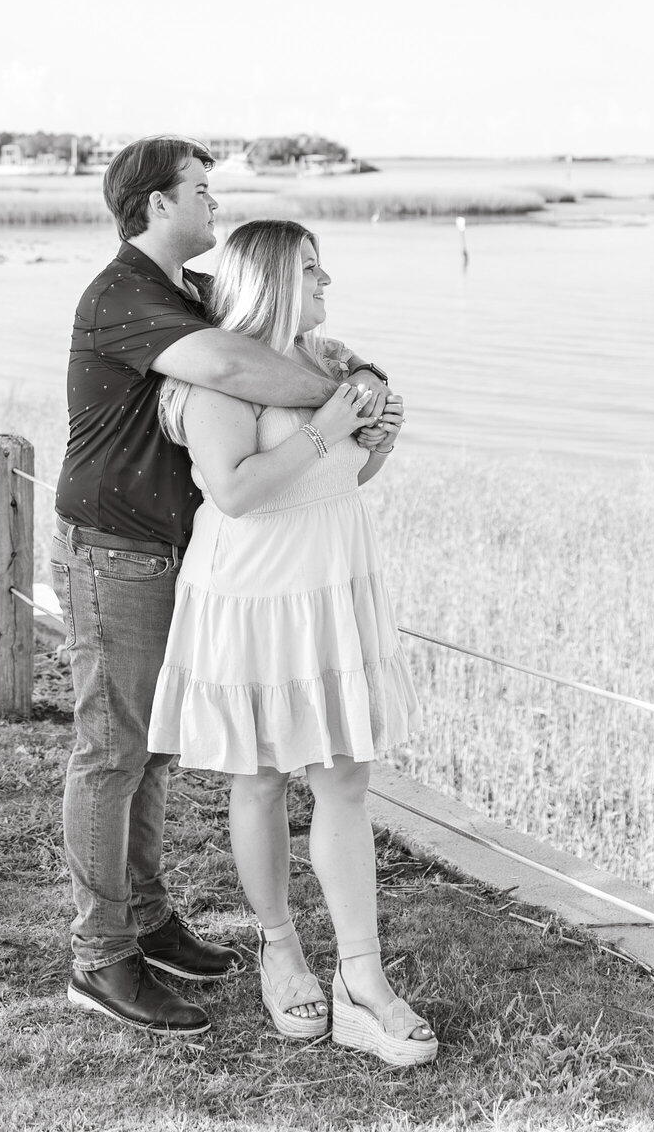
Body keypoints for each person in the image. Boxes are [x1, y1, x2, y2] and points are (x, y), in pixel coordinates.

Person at [53, 136, 396, 1038]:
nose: (216, 205)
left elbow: (268, 331)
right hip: (118, 550)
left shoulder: (192, 292)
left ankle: (150, 918)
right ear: (157, 205)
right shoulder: (124, 295)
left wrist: (358, 377)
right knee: (114, 752)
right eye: (202, 191)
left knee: (154, 751)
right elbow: (242, 368)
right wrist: (343, 399)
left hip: (187, 556)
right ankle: (102, 954)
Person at [147, 218, 433, 1068]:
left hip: (331, 585)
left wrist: (376, 438)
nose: (326, 283)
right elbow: (232, 493)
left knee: (347, 777)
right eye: (311, 269)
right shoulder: (218, 377)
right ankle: (280, 947)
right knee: (263, 775)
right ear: (271, 277)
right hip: (254, 594)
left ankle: (363, 980)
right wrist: (324, 425)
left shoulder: (328, 359)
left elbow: (344, 475)